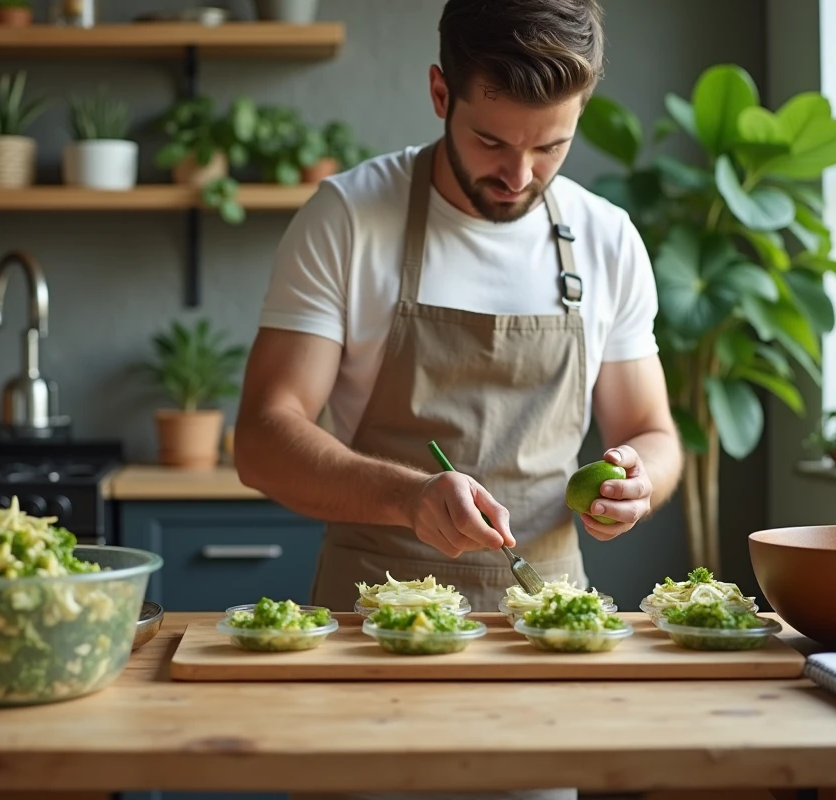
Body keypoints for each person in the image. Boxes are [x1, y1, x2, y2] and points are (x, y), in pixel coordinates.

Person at [235, 0, 682, 620]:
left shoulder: (607, 238)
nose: (520, 176)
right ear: (441, 93)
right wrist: (407, 496)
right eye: (491, 140)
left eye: (552, 146)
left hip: (548, 619)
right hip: (375, 615)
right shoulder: (347, 218)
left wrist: (640, 482)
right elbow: (262, 440)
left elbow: (651, 431)